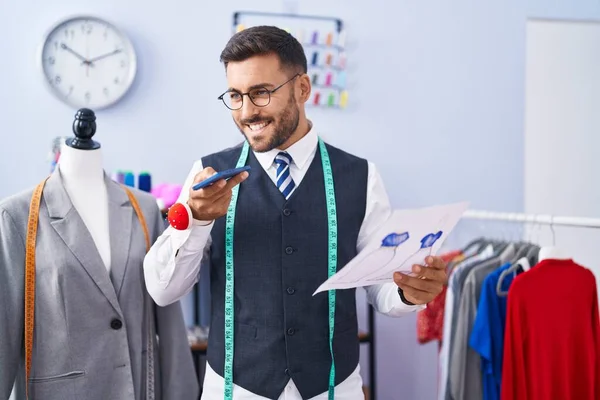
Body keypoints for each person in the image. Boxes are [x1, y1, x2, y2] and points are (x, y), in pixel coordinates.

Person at [143, 25, 447, 399]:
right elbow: (162, 290)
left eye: (261, 93)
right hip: (237, 389)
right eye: (235, 96)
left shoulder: (360, 176)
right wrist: (198, 220)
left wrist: (410, 294)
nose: (247, 111)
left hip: (333, 388)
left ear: (302, 88)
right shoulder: (207, 175)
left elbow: (382, 288)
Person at [0, 111, 199, 400]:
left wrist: (181, 391)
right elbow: (4, 332)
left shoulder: (143, 210)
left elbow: (167, 317)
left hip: (138, 387)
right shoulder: (17, 217)